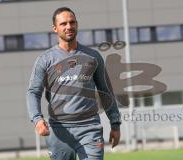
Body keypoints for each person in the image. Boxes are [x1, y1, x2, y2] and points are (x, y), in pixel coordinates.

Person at [26, 7, 121, 160]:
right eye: (63, 24)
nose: (69, 26)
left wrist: (115, 124)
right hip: (59, 131)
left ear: (77, 24)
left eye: (72, 22)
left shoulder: (93, 57)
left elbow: (106, 91)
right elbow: (33, 92)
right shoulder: (45, 60)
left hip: (90, 128)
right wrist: (37, 119)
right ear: (55, 28)